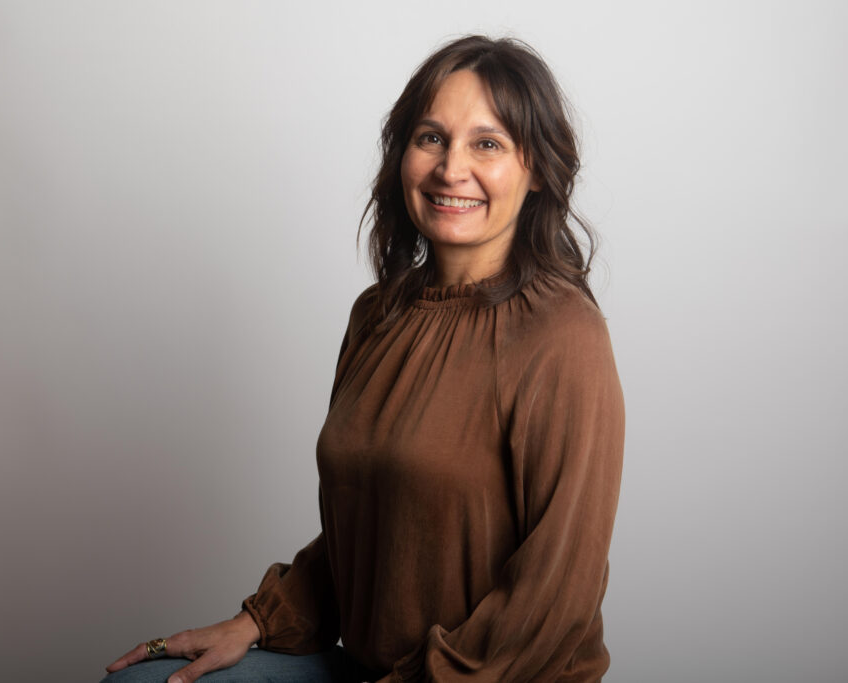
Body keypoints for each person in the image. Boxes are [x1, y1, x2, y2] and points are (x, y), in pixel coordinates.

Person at [103, 34, 624, 683]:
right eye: (431, 137)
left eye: (486, 143)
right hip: (371, 666)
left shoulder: (564, 334)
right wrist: (260, 619)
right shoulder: (378, 314)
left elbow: (555, 594)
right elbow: (373, 526)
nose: (450, 167)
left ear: (538, 168)